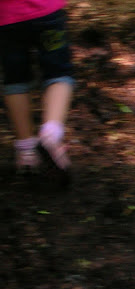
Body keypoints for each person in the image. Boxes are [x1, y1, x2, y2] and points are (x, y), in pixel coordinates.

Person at [0, 0, 74, 171]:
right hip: (48, 13)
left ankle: (26, 151)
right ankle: (51, 134)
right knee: (59, 74)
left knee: (15, 80)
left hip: (6, 20)